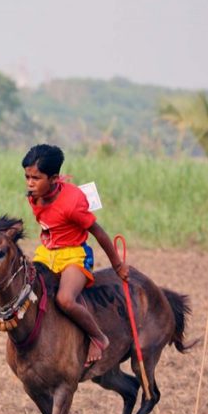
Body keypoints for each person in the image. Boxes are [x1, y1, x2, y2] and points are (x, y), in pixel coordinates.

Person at [22, 144, 129, 366]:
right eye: (27, 177)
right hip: (47, 252)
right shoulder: (34, 197)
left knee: (64, 299)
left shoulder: (72, 204)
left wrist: (117, 265)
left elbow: (99, 233)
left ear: (53, 178)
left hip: (74, 255)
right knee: (25, 288)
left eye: (36, 178)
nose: (30, 183)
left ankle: (98, 337)